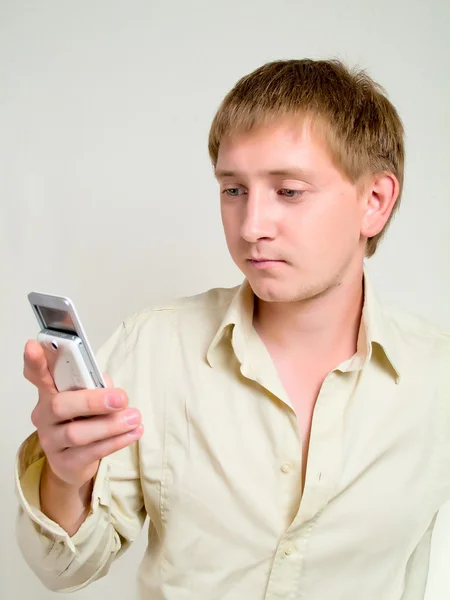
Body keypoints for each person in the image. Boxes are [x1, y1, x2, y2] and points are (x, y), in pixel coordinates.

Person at [16, 59, 450, 600]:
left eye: (289, 191)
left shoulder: (438, 378)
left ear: (375, 202)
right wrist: (65, 474)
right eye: (233, 190)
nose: (252, 227)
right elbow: (64, 571)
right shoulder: (154, 348)